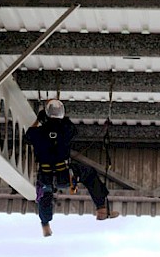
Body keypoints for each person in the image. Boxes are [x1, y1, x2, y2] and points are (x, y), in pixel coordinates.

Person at [26, 99, 119, 237]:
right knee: (89, 174)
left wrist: (39, 120)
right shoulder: (65, 129)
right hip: (65, 175)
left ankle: (45, 225)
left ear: (46, 114)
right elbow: (72, 129)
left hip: (45, 175)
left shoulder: (38, 132)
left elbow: (28, 136)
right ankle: (101, 208)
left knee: (45, 197)